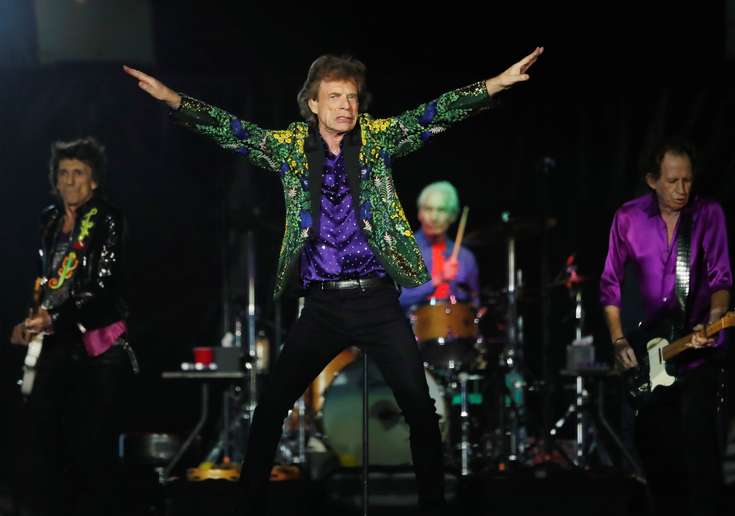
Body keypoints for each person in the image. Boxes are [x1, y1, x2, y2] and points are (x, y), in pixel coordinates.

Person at [124, 46, 543, 515]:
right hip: (322, 306)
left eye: (352, 96)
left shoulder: (379, 139)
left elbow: (433, 114)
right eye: (335, 96)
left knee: (422, 411)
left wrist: (494, 85)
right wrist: (174, 100)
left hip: (379, 301)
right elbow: (233, 131)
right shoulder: (289, 148)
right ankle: (251, 504)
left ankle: (432, 506)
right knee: (271, 407)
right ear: (314, 104)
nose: (347, 105)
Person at [599, 142, 732, 516]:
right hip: (647, 345)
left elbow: (721, 277)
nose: (681, 189)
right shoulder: (627, 217)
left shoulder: (708, 214)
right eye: (672, 181)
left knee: (700, 450)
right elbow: (609, 284)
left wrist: (715, 317)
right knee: (656, 455)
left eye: (687, 180)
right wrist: (618, 338)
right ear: (652, 181)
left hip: (696, 348)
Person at [9, 137, 136, 516]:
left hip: (97, 348)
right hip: (56, 345)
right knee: (48, 447)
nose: (70, 181)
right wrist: (30, 320)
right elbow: (45, 280)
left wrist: (54, 316)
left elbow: (101, 286)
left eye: (78, 173)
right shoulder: (49, 220)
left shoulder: (107, 219)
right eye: (63, 173)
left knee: (92, 452)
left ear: (93, 180)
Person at [399, 180, 479, 310]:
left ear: (453, 216)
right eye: (428, 209)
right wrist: (438, 279)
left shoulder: (466, 257)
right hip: (412, 327)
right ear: (419, 213)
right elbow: (396, 298)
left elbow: (474, 301)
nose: (434, 217)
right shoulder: (404, 249)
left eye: (441, 210)